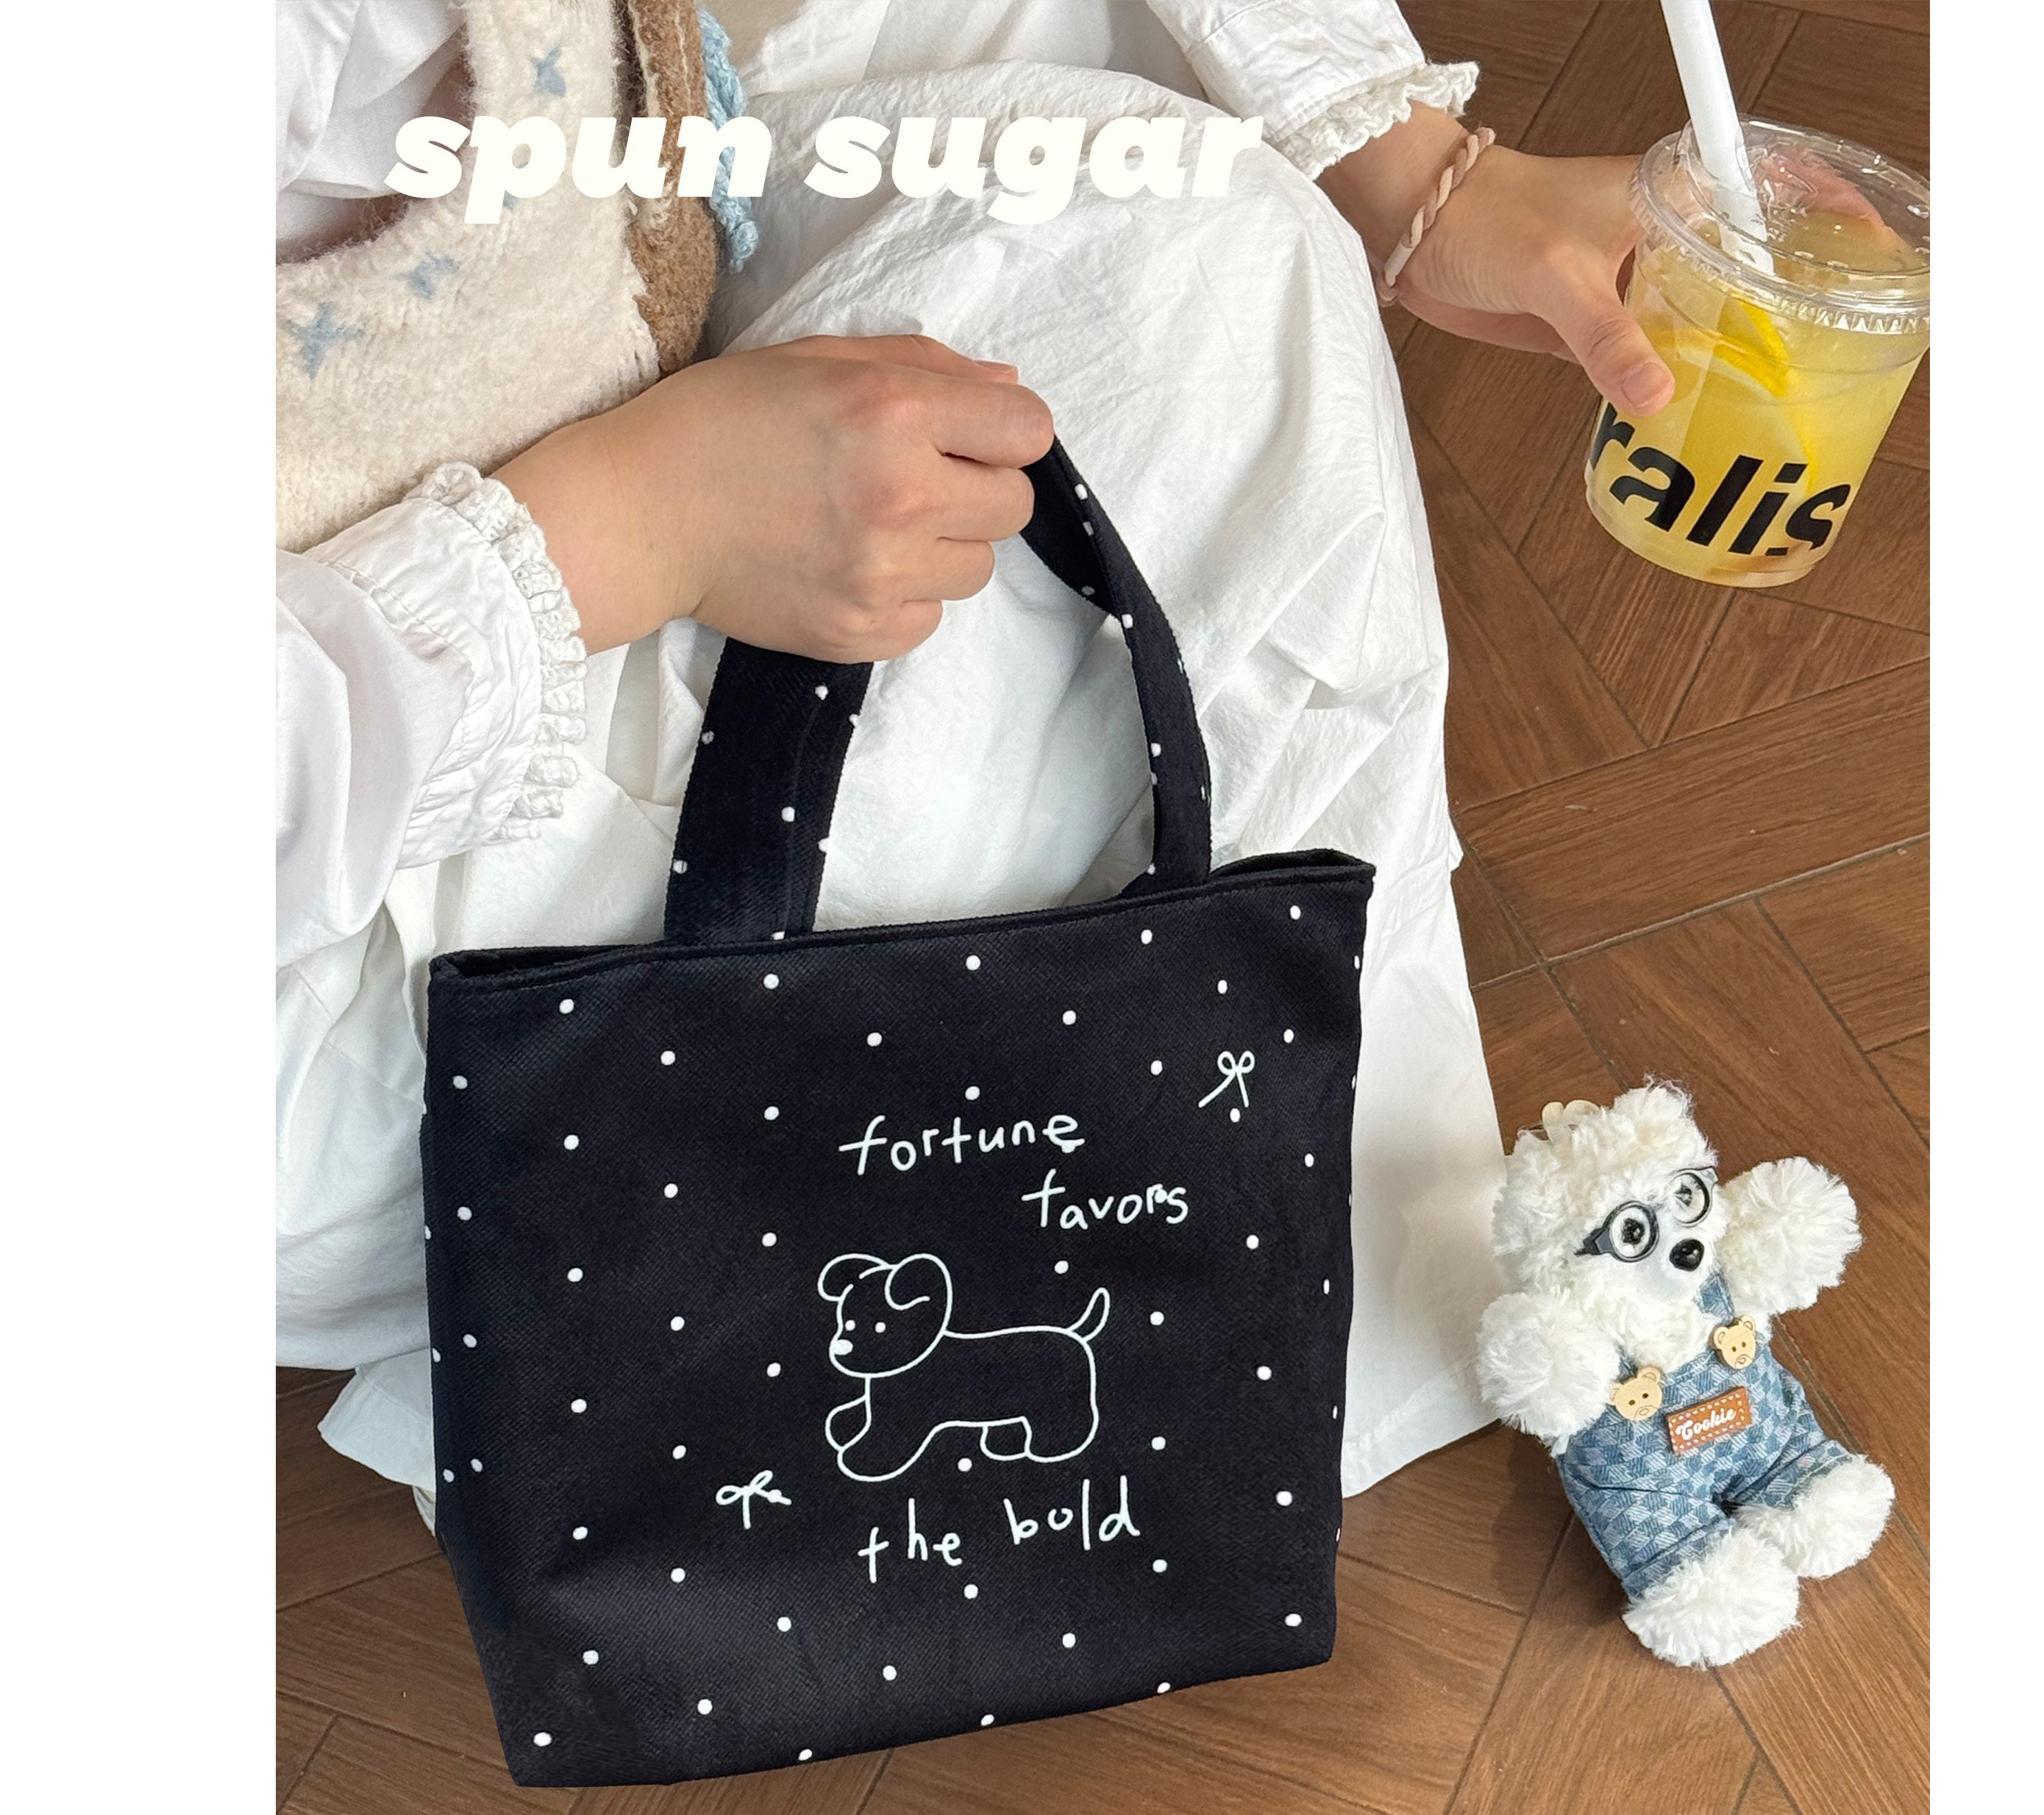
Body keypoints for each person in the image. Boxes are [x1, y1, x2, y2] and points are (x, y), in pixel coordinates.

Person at [277, 0, 1672, 1519]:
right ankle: (1227, 1300)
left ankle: (1161, 1264)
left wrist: (1413, 166)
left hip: (492, 398)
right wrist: (643, 518)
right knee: (1198, 260)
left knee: (1084, 114)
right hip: (311, 912)